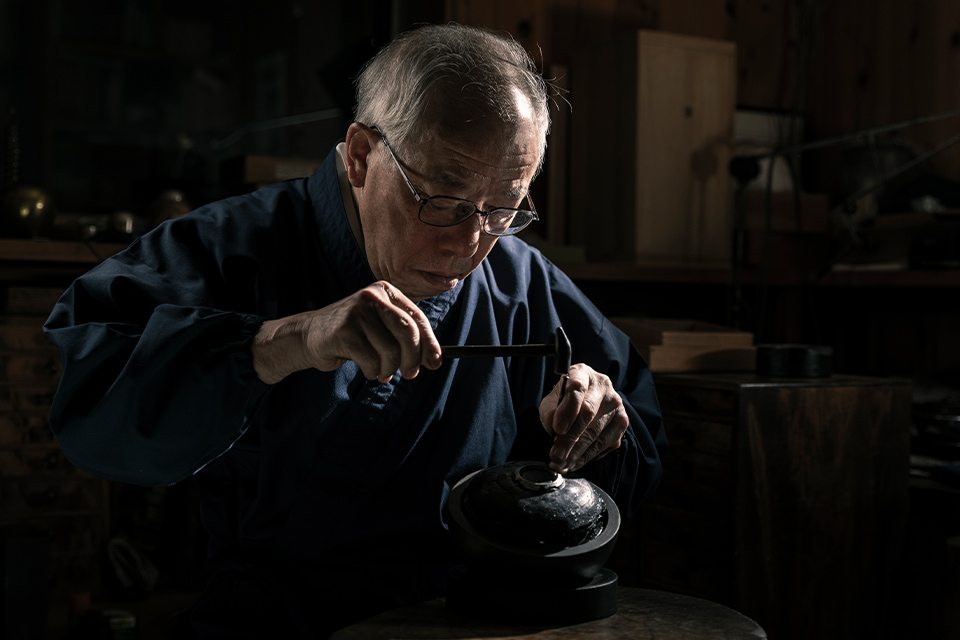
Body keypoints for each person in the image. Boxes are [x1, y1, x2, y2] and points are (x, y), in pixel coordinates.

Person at [44, 23, 666, 639]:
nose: (470, 242)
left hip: (463, 619)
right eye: (442, 202)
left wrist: (597, 428)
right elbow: (92, 416)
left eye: (505, 207)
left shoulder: (522, 282)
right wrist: (280, 344)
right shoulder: (228, 247)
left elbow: (636, 451)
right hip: (266, 623)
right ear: (363, 155)